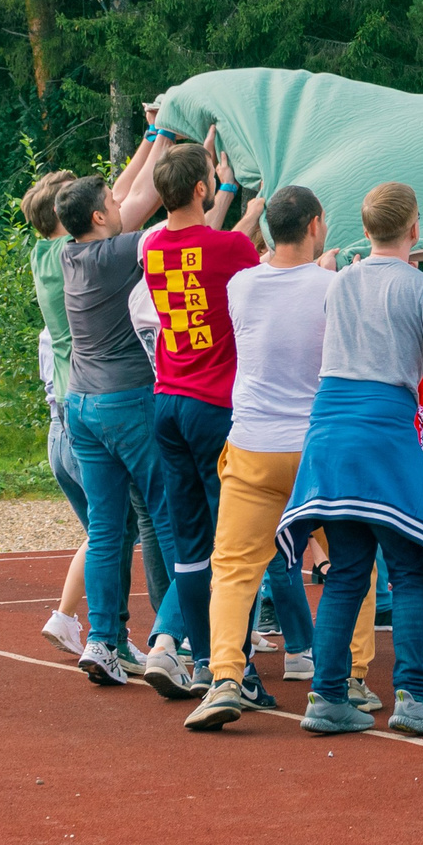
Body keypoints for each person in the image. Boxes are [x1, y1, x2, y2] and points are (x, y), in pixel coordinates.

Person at [278, 182, 423, 737]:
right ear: (415, 228)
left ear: (366, 227)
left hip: (328, 428)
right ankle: (413, 695)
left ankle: (326, 696)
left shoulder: (338, 282)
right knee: (411, 567)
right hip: (382, 428)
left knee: (348, 571)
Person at [185, 186, 374, 729]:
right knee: (350, 560)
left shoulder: (241, 285)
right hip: (317, 446)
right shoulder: (334, 287)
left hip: (253, 445)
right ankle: (352, 675)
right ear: (316, 224)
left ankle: (224, 675)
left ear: (269, 227)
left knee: (235, 568)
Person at [135, 138, 260, 699]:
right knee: (233, 540)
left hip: (167, 402)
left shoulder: (148, 245)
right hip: (216, 404)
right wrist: (250, 198)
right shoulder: (231, 248)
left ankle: (205, 659)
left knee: (188, 543)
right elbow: (249, 255)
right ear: (204, 189)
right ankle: (239, 664)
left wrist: (195, 162)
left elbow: (193, 234)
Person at [57, 126, 172, 686]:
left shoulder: (69, 251)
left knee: (106, 528)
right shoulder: (121, 253)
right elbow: (155, 204)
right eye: (109, 204)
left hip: (79, 404)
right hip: (126, 401)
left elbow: (126, 194)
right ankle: (179, 638)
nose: (118, 204)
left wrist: (157, 135)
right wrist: (177, 153)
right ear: (100, 219)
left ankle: (102, 641)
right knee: (165, 514)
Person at [22, 169, 94, 659]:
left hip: (57, 427)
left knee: (102, 534)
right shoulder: (75, 258)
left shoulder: (41, 257)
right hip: (81, 415)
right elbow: (131, 200)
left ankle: (67, 617)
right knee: (120, 530)